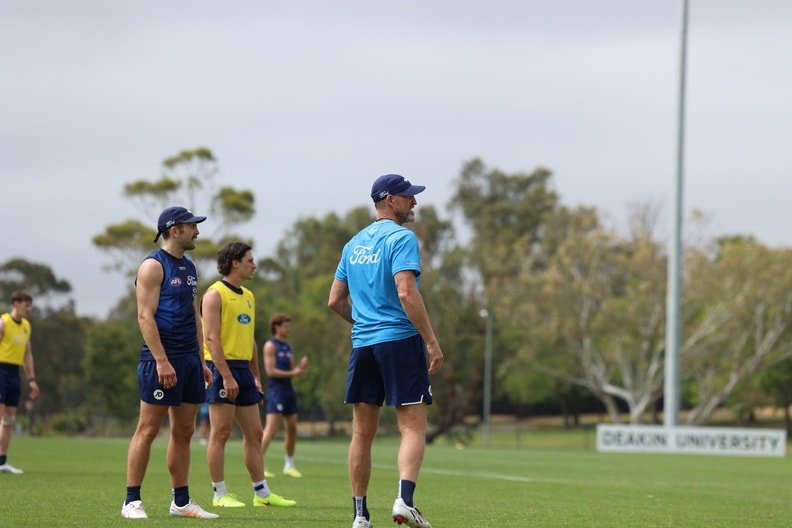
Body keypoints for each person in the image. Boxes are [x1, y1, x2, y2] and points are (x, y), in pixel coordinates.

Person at [328, 174, 444, 528]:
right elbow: (407, 293)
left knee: (362, 433)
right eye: (409, 197)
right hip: (400, 342)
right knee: (411, 428)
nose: (414, 202)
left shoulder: (353, 243)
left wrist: (364, 323)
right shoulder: (402, 238)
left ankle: (360, 516)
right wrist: (431, 340)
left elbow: (334, 301)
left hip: (363, 346)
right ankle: (404, 501)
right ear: (391, 199)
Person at [121, 206, 218, 520]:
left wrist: (201, 358)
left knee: (185, 431)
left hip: (190, 361)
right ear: (175, 230)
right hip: (160, 361)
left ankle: (181, 502)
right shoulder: (152, 266)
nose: (197, 232)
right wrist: (162, 361)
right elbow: (144, 316)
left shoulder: (189, 266)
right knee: (148, 429)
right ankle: (131, 501)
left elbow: (193, 313)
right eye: (193, 227)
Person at [202, 242, 295, 508]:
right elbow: (211, 338)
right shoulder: (214, 294)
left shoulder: (248, 296)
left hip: (243, 371)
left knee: (255, 433)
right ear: (235, 263)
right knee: (220, 433)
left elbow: (250, 339)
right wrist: (226, 375)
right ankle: (219, 494)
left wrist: (255, 376)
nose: (254, 265)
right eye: (250, 260)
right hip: (222, 369)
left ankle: (262, 494)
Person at [260, 313, 308, 478]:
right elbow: (270, 371)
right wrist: (293, 372)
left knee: (292, 428)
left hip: (288, 390)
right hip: (276, 391)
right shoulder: (270, 346)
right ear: (276, 327)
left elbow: (291, 370)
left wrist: (299, 369)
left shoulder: (288, 347)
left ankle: (289, 465)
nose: (289, 329)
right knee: (271, 429)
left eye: (289, 326)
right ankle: (258, 464)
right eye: (285, 326)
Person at [0, 290, 40, 474]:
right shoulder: (3, 323)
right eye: (26, 305)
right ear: (16, 303)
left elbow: (27, 354)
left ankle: (2, 461)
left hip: (14, 374)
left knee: (9, 420)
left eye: (30, 305)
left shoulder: (26, 326)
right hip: (1, 370)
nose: (29, 309)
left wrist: (32, 379)